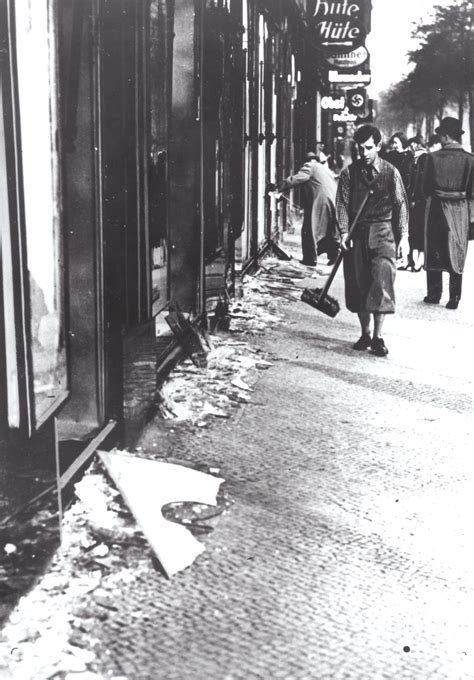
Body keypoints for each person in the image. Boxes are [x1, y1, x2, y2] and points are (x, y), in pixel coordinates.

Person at [336, 124, 409, 357]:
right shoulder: (349, 173)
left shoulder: (391, 172)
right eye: (360, 148)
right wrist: (344, 233)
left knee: (381, 284)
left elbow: (401, 205)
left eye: (368, 148)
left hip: (383, 234)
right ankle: (365, 333)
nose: (364, 153)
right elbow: (342, 206)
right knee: (359, 285)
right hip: (357, 235)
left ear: (378, 146)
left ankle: (378, 337)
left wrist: (404, 237)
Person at [422, 117, 474, 309]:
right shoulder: (470, 159)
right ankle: (454, 298)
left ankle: (434, 294)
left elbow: (425, 187)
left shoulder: (432, 158)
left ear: (445, 136)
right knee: (457, 249)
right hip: (460, 209)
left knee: (435, 248)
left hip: (436, 206)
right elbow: (472, 191)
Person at [274, 150, 339, 267]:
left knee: (309, 228)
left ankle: (310, 259)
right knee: (329, 229)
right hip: (332, 199)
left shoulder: (310, 166)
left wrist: (279, 186)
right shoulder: (324, 168)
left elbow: (297, 179)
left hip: (321, 201)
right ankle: (333, 254)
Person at [406, 135, 428, 272]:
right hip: (414, 201)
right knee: (414, 231)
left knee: (419, 231)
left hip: (421, 201)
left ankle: (419, 261)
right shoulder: (413, 160)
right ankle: (414, 260)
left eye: (411, 145)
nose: (410, 148)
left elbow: (421, 181)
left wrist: (416, 197)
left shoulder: (424, 159)